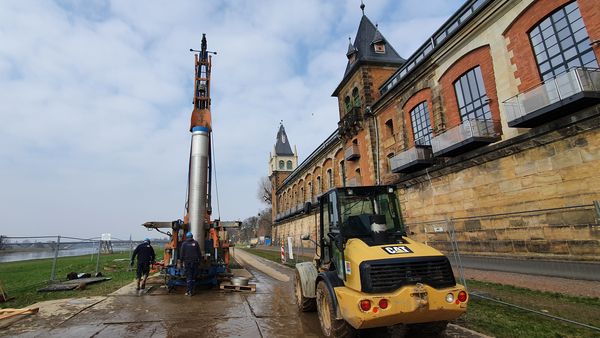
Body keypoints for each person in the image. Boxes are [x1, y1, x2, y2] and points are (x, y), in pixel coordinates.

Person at [180, 231, 202, 296]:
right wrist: (200, 261)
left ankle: (189, 291)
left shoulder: (184, 244)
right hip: (195, 262)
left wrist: (181, 262)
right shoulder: (196, 243)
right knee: (193, 277)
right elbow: (199, 253)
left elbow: (181, 254)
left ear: (186, 237)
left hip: (187, 263)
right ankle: (192, 291)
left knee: (189, 277)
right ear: (192, 236)